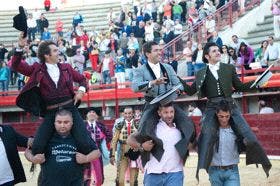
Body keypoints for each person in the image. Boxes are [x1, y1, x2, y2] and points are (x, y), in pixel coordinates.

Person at [179, 42, 272, 179]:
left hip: (230, 105)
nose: (218, 53)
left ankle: (258, 160)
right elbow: (191, 90)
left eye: (218, 50)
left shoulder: (228, 68)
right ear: (206, 56)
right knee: (205, 138)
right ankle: (205, 168)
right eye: (214, 51)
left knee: (250, 137)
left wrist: (256, 83)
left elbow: (239, 86)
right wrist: (177, 80)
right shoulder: (200, 73)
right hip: (212, 107)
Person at [11, 33, 96, 157]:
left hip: (70, 109)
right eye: (55, 50)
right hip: (51, 112)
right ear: (47, 55)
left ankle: (84, 170)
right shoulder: (37, 68)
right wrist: (19, 47)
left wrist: (81, 91)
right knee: (38, 146)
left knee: (85, 142)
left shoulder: (66, 67)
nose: (59, 52)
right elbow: (15, 65)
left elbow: (82, 79)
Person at [131, 41, 195, 175]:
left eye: (160, 50)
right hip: (152, 104)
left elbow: (179, 84)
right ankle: (144, 157)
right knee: (143, 130)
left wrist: (178, 90)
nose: (160, 52)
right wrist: (153, 82)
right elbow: (135, 87)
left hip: (168, 102)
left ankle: (182, 152)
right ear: (147, 54)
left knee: (188, 124)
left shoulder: (168, 67)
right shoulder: (140, 70)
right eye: (156, 50)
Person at [25, 109, 100, 186]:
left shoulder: (79, 137)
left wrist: (86, 158)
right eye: (59, 122)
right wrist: (33, 159)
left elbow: (97, 152)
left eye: (66, 122)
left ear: (72, 123)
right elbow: (28, 151)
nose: (62, 125)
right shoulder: (46, 137)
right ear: (54, 123)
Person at [127, 103, 195, 186]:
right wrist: (142, 146)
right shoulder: (152, 127)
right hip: (153, 174)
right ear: (159, 113)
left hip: (175, 174)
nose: (169, 115)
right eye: (166, 112)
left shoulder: (181, 128)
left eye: (171, 112)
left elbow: (192, 144)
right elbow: (130, 139)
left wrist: (190, 146)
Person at [208, 100, 244, 185]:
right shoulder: (209, 130)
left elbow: (244, 145)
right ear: (217, 114)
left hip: (232, 171)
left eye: (227, 116)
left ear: (230, 114)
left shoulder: (236, 129)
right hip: (214, 171)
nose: (224, 120)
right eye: (221, 116)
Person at [110, 106, 139, 186]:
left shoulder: (138, 125)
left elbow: (141, 139)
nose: (128, 115)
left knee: (133, 180)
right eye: (126, 113)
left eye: (129, 113)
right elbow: (114, 141)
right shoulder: (119, 125)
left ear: (132, 114)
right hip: (123, 151)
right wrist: (112, 155)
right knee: (120, 179)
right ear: (123, 114)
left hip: (135, 152)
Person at [84, 108, 112, 186]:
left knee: (99, 175)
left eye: (94, 112)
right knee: (86, 174)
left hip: (97, 152)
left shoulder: (101, 125)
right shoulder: (82, 126)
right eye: (89, 112)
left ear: (96, 116)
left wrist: (103, 143)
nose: (92, 113)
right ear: (86, 115)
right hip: (86, 153)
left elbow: (109, 136)